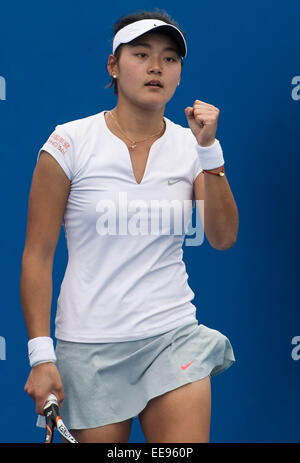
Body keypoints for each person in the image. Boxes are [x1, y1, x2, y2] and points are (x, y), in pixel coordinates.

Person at [20, 9, 239, 443]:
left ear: (179, 75)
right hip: (89, 348)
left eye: (170, 58)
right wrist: (41, 355)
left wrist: (209, 150)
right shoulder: (68, 143)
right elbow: (37, 255)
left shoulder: (192, 147)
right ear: (114, 66)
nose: (157, 66)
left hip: (172, 336)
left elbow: (223, 236)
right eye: (141, 54)